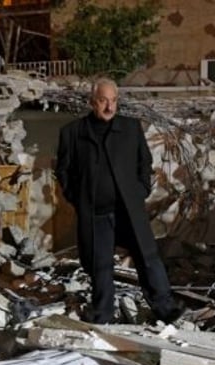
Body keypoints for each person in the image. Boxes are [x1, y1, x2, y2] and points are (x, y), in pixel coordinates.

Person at [55, 77, 182, 324]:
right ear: (93, 102)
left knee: (148, 257)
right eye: (103, 101)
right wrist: (77, 198)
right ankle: (103, 313)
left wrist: (140, 190)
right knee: (99, 264)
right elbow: (63, 171)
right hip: (95, 213)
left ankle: (166, 310)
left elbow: (144, 162)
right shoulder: (72, 133)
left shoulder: (131, 128)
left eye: (113, 101)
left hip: (129, 209)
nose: (109, 107)